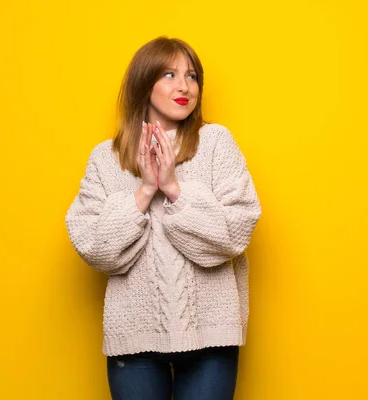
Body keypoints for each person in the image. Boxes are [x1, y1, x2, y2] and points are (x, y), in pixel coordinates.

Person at [65, 36, 262, 400]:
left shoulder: (217, 143)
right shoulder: (105, 158)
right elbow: (96, 249)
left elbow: (235, 232)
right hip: (134, 340)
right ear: (143, 83)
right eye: (169, 74)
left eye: (192, 76)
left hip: (210, 336)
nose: (184, 86)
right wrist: (143, 192)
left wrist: (173, 188)